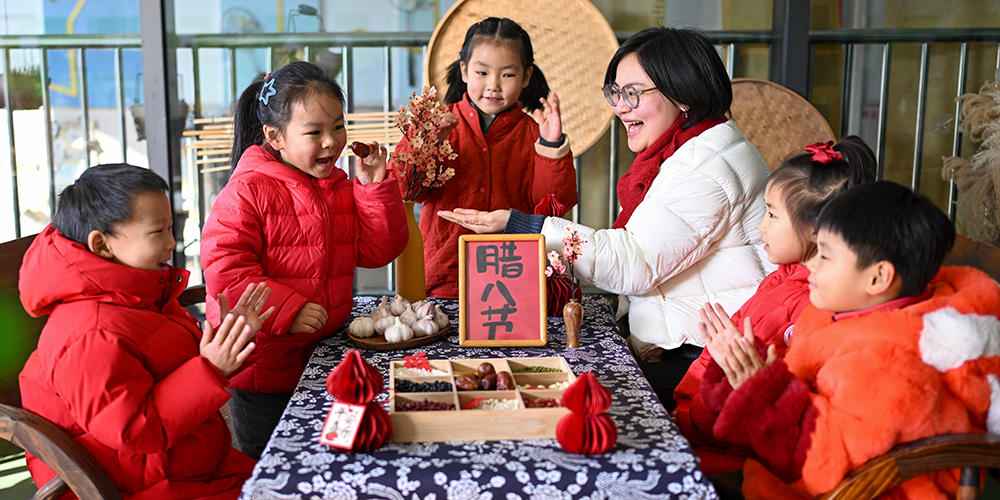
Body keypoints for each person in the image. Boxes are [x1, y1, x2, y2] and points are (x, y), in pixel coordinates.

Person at [439, 27, 770, 406]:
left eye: (633, 93)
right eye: (616, 93)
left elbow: (636, 260)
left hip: (705, 357)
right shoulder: (693, 149)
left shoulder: (704, 167)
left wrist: (524, 226)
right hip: (690, 342)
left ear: (682, 95)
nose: (620, 107)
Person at [702, 181, 1000, 499]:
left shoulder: (889, 365)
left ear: (878, 277)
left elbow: (824, 465)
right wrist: (744, 369)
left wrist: (763, 393)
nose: (811, 263)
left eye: (825, 256)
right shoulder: (841, 315)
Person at [18, 163, 272, 499]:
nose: (172, 243)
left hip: (190, 462)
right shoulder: (90, 333)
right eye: (157, 232)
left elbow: (171, 365)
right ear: (102, 245)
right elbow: (133, 428)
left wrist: (228, 344)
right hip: (146, 486)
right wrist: (211, 368)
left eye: (170, 227)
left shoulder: (138, 293)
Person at [201, 61, 408, 459]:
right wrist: (289, 311)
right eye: (314, 132)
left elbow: (377, 251)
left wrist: (373, 189)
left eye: (338, 126)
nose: (331, 142)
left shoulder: (337, 186)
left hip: (323, 359)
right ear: (274, 136)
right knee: (273, 466)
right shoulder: (247, 191)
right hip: (263, 369)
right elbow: (226, 274)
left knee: (329, 462)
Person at [672, 136, 877, 475]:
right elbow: (720, 356)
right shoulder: (780, 279)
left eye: (771, 214)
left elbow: (769, 409)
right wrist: (684, 413)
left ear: (815, 229)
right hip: (699, 424)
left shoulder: (817, 306)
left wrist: (690, 420)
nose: (761, 225)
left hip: (739, 455)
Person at [394, 16, 578, 299]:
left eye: (507, 75)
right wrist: (427, 142)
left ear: (526, 76)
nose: (493, 85)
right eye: (482, 72)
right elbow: (403, 191)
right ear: (464, 70)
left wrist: (550, 145)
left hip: (515, 279)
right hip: (446, 277)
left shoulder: (535, 133)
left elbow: (553, 208)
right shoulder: (438, 124)